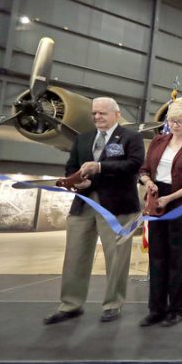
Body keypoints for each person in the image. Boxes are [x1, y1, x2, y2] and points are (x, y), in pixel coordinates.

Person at [44, 97, 144, 324]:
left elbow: (134, 165)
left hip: (118, 207)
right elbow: (72, 165)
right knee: (75, 256)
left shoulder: (131, 137)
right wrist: (76, 181)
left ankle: (113, 304)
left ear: (116, 114)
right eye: (94, 113)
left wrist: (100, 167)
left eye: (102, 113)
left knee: (116, 258)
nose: (97, 117)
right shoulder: (83, 139)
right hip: (84, 204)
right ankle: (70, 304)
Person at [137, 100, 182, 327]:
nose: (175, 125)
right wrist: (148, 182)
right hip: (158, 199)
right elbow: (145, 169)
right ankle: (155, 308)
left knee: (179, 258)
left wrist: (171, 197)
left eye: (180, 122)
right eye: (172, 121)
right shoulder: (158, 141)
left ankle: (176, 309)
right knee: (157, 256)